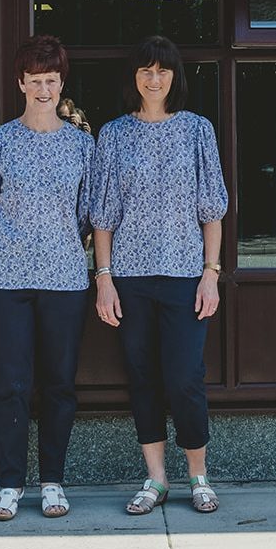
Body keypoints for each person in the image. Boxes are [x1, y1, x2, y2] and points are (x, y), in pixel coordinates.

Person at [91, 35, 229, 515]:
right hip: (129, 278)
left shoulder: (196, 131)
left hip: (184, 276)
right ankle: (156, 479)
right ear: (134, 77)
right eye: (146, 70)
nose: (154, 79)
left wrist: (211, 272)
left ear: (175, 77)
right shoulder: (112, 135)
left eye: (163, 71)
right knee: (143, 376)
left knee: (186, 377)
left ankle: (199, 475)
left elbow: (212, 209)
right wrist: (103, 278)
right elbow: (102, 216)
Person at [0, 35, 96, 521]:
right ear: (20, 83)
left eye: (51, 79)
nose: (43, 88)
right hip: (5, 278)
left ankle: (52, 481)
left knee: (59, 384)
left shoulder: (82, 145)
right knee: (10, 383)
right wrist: (18, 241)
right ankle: (9, 484)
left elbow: (89, 214)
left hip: (65, 278)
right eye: (35, 80)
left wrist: (58, 241)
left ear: (61, 82)